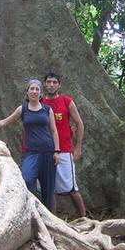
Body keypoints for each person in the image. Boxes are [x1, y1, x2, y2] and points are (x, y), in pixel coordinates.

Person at [0, 79, 60, 211]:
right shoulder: (22, 109)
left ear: (40, 93)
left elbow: (53, 131)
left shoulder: (47, 109)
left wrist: (57, 151)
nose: (34, 91)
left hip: (48, 152)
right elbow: (5, 122)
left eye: (37, 89)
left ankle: (50, 220)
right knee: (27, 180)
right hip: (31, 153)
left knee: (48, 189)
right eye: (32, 89)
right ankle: (31, 210)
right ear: (27, 91)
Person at [42, 72, 86, 217]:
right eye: (49, 82)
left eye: (55, 82)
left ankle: (83, 218)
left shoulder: (66, 101)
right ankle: (54, 220)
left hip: (65, 151)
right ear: (44, 84)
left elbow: (79, 124)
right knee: (49, 188)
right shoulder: (41, 104)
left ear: (59, 85)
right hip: (46, 151)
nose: (51, 85)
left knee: (72, 188)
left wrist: (78, 147)